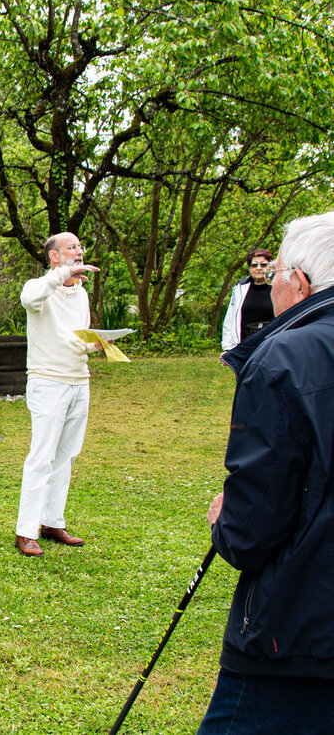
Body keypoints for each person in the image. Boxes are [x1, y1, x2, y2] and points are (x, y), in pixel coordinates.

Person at [198, 211, 334, 733]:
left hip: (296, 634)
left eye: (275, 270)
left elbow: (252, 529)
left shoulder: (284, 356)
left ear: (296, 283)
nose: (271, 280)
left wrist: (225, 521)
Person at [14, 232, 101, 558]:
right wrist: (62, 274)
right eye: (72, 247)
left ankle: (52, 522)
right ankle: (26, 531)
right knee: (42, 456)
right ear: (54, 257)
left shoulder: (81, 295)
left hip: (79, 381)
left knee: (67, 455)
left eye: (80, 246)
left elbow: (77, 337)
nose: (79, 251)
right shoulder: (38, 289)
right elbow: (29, 299)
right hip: (48, 383)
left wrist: (96, 344)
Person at [221, 248, 275, 350]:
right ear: (249, 268)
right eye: (254, 265)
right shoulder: (240, 288)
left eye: (263, 265)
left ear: (270, 267)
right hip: (246, 344)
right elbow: (230, 318)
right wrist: (228, 347)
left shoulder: (277, 287)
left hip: (270, 344)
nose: (258, 268)